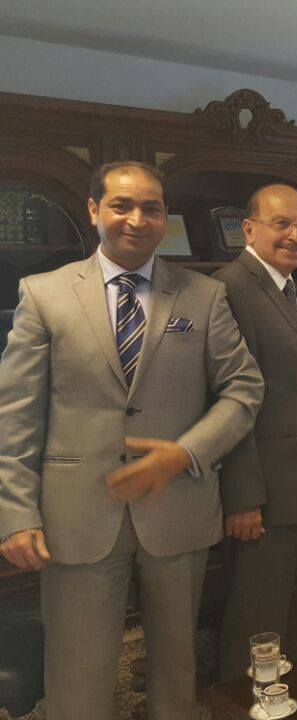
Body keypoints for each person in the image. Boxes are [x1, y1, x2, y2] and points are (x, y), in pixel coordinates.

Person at [0, 161, 264, 720]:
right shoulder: (44, 295)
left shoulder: (204, 296)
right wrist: (16, 513)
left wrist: (186, 452)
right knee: (77, 674)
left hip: (179, 508)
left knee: (175, 673)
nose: (137, 219)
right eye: (122, 205)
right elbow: (15, 415)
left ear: (165, 218)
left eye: (151, 208)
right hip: (77, 513)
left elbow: (244, 389)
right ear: (94, 210)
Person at [214, 184, 297, 680]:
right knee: (256, 627)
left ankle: (295, 704)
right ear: (248, 229)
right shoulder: (230, 289)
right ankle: (246, 709)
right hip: (264, 498)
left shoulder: (290, 288)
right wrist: (243, 498)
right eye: (281, 223)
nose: (295, 235)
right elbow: (228, 402)